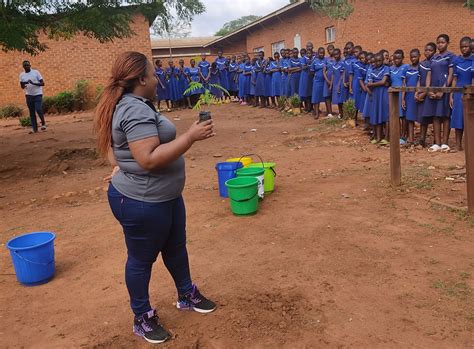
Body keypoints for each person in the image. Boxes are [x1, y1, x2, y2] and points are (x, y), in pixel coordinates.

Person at [94, 51, 216, 344]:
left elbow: (112, 146)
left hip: (165, 196)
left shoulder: (135, 105)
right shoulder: (133, 109)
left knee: (175, 247)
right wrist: (189, 137)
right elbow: (147, 159)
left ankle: (186, 293)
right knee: (141, 259)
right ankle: (142, 317)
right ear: (141, 79)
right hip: (143, 202)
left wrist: (120, 164)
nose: (157, 77)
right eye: (153, 73)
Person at [426, 34, 454, 153]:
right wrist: (429, 89)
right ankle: (437, 143)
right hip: (434, 87)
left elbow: (451, 74)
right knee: (436, 116)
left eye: (442, 42)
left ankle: (445, 143)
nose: (440, 44)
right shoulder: (434, 58)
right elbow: (429, 74)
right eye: (438, 42)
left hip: (445, 89)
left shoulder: (451, 56)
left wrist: (444, 90)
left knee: (445, 116)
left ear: (447, 43)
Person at [450, 36, 473, 151]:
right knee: (458, 119)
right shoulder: (457, 61)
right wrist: (451, 95)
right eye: (462, 47)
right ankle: (458, 145)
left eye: (466, 46)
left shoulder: (473, 60)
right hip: (458, 92)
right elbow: (454, 79)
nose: (464, 49)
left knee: (469, 119)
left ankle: (470, 145)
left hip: (470, 93)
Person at [367, 52, 390, 145]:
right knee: (376, 115)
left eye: (380, 60)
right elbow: (370, 84)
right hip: (375, 94)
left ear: (383, 60)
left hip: (384, 94)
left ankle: (387, 138)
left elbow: (383, 81)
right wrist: (378, 83)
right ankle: (378, 137)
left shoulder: (386, 68)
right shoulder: (372, 70)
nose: (378, 63)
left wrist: (372, 84)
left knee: (385, 116)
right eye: (376, 61)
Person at [417, 42, 436, 147]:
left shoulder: (435, 64)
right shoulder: (422, 64)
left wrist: (424, 93)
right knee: (423, 118)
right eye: (426, 50)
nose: (427, 52)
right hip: (422, 93)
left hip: (431, 93)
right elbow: (419, 79)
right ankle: (422, 139)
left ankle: (435, 140)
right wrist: (417, 92)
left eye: (430, 50)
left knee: (433, 117)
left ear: (434, 51)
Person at [19, 60, 46, 133]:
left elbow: (42, 83)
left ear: (30, 65)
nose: (26, 66)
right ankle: (35, 129)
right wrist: (24, 83)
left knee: (38, 109)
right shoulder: (22, 75)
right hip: (29, 95)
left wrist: (33, 83)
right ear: (23, 67)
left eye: (28, 65)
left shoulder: (35, 72)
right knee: (31, 112)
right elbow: (22, 86)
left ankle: (43, 123)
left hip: (38, 94)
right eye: (25, 65)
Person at [389, 49, 409, 143]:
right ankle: (397, 134)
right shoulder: (391, 68)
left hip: (402, 93)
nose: (396, 60)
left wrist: (403, 98)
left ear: (403, 58)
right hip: (394, 94)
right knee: (395, 115)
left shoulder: (405, 67)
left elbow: (405, 83)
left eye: (399, 58)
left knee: (403, 116)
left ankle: (403, 135)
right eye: (395, 58)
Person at [402, 49, 421, 144]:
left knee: (420, 117)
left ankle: (422, 139)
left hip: (417, 95)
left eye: (415, 57)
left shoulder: (421, 68)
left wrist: (418, 93)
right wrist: (402, 98)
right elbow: (404, 84)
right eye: (411, 57)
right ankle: (411, 139)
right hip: (408, 96)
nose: (413, 59)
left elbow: (420, 81)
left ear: (419, 56)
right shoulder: (407, 68)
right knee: (409, 118)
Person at [352, 51, 368, 126]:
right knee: (356, 101)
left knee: (365, 101)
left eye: (365, 58)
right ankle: (354, 119)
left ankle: (366, 120)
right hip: (357, 85)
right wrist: (363, 87)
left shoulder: (368, 66)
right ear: (359, 59)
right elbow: (359, 78)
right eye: (361, 58)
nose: (363, 59)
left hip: (365, 85)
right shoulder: (358, 66)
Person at [310, 47, 326, 119]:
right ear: (318, 53)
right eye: (320, 53)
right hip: (317, 81)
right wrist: (316, 75)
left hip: (325, 81)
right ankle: (316, 113)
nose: (321, 54)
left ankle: (329, 112)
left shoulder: (326, 60)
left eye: (323, 53)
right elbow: (311, 71)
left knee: (326, 96)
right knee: (316, 97)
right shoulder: (314, 61)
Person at [330, 48, 345, 118]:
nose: (336, 56)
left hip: (341, 82)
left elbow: (342, 74)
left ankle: (344, 114)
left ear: (340, 54)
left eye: (337, 54)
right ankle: (340, 113)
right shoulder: (333, 63)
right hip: (335, 83)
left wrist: (339, 85)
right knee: (338, 100)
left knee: (342, 99)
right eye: (334, 55)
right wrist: (331, 84)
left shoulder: (342, 63)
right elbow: (333, 74)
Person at [298, 48, 311, 112]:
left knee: (310, 92)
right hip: (304, 76)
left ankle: (310, 107)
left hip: (310, 77)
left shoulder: (311, 58)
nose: (303, 55)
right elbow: (303, 67)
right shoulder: (302, 59)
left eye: (304, 53)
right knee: (305, 92)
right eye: (301, 53)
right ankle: (307, 107)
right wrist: (308, 64)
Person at [323, 47, 335, 117]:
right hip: (327, 79)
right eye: (329, 50)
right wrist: (327, 80)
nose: (330, 51)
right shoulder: (326, 60)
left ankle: (341, 113)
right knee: (327, 96)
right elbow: (324, 71)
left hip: (336, 80)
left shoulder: (337, 58)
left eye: (331, 49)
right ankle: (329, 112)